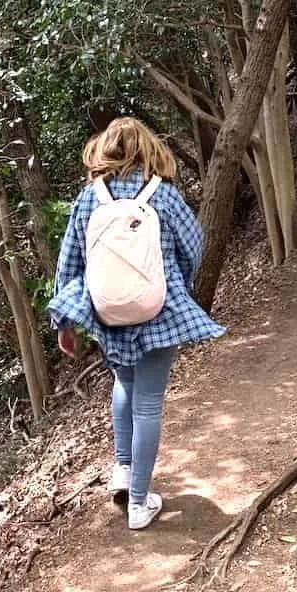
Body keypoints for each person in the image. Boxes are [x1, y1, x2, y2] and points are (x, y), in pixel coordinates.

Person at [48, 117, 224, 529]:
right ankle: (139, 505)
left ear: (104, 150)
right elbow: (194, 247)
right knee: (148, 404)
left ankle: (124, 470)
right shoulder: (164, 196)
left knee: (124, 384)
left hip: (108, 311)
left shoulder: (90, 198)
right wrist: (176, 278)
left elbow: (70, 261)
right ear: (149, 149)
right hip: (158, 309)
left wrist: (64, 322)